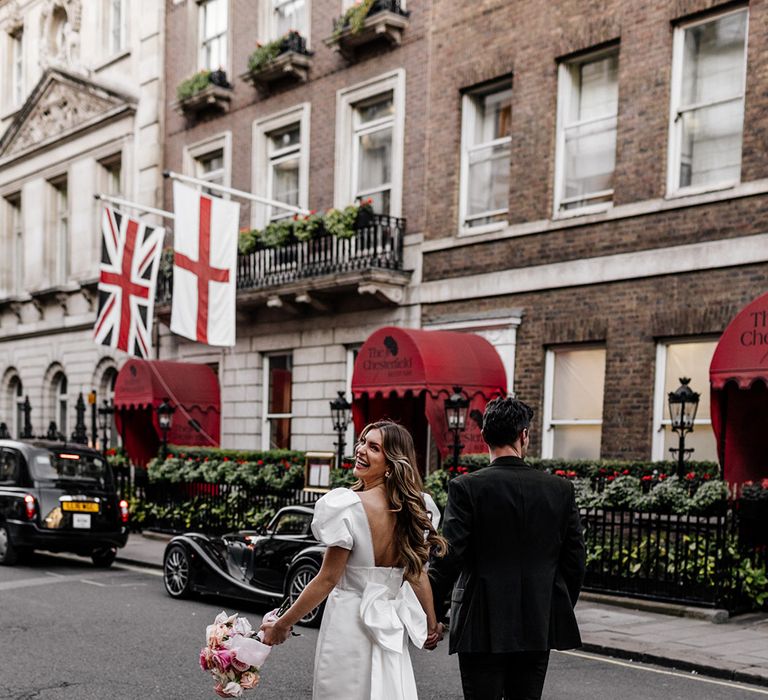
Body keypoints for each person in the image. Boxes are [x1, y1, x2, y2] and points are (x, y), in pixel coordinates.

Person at [259, 420, 446, 699]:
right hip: (390, 625)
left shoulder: (347, 506)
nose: (360, 450)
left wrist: (282, 625)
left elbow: (327, 578)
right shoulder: (415, 508)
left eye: (374, 447)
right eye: (361, 442)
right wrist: (431, 624)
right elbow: (416, 573)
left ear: (392, 462)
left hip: (348, 621)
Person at [427, 396, 586, 700]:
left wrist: (432, 614)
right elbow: (575, 562)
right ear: (524, 435)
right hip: (536, 623)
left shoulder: (466, 488)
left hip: (479, 623)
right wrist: (551, 606)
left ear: (484, 436)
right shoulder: (560, 490)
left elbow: (449, 559)